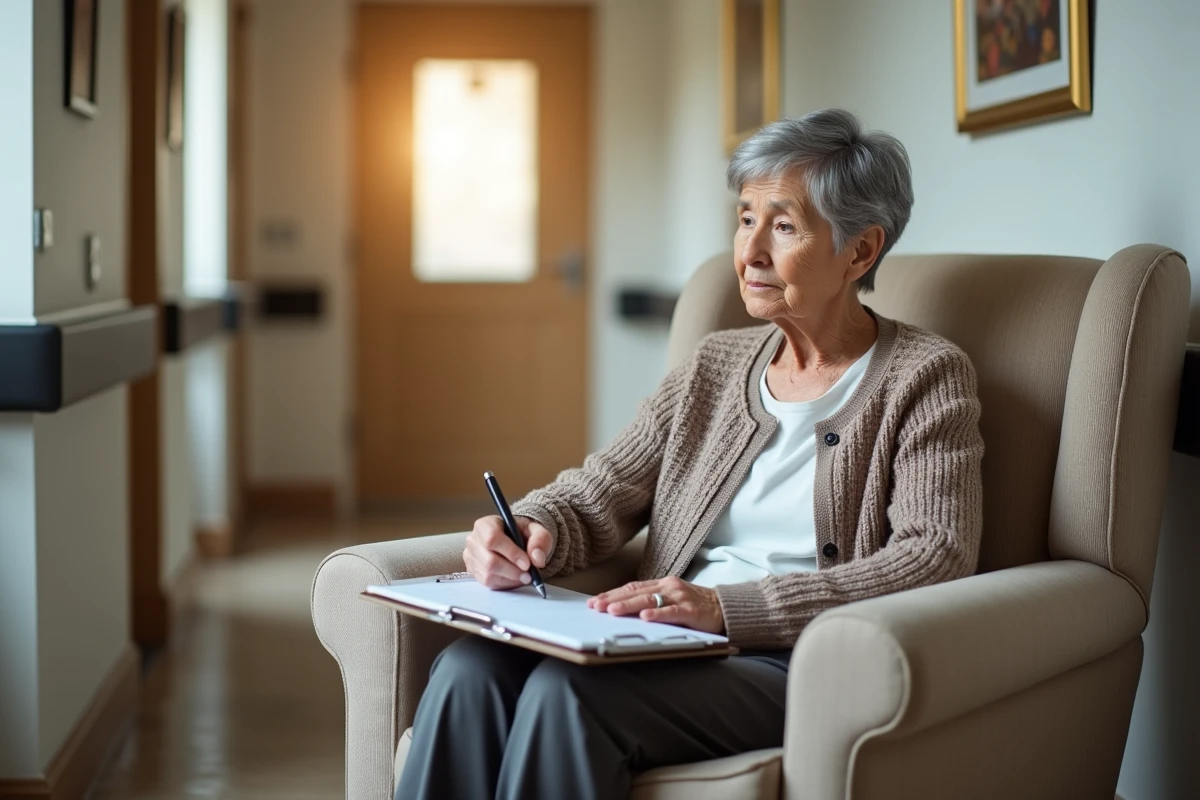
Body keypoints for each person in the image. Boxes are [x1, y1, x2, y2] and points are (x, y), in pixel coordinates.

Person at [396, 108, 984, 800]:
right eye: (744, 219)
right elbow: (601, 488)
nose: (751, 251)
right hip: (668, 640)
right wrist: (532, 527)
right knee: (470, 669)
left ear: (860, 251)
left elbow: (934, 555)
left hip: (796, 660)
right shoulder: (714, 366)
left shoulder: (926, 375)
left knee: (567, 694)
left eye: (784, 226)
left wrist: (727, 608)